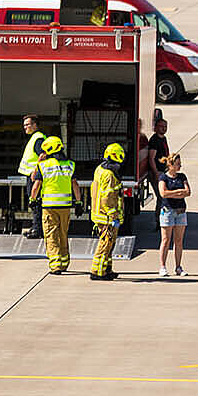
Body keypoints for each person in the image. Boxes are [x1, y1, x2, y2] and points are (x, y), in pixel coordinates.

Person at [30, 136, 82, 274]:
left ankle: (55, 265)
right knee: (63, 234)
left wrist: (32, 199)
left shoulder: (44, 165)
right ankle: (64, 262)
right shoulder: (70, 165)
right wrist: (78, 202)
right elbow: (75, 185)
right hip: (65, 207)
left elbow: (35, 184)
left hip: (49, 207)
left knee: (51, 235)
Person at [89, 142, 126, 281]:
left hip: (100, 213)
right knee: (105, 244)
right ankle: (97, 272)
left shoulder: (100, 169)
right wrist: (113, 214)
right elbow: (107, 197)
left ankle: (106, 269)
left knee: (109, 244)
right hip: (107, 216)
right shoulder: (110, 175)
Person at [16, 114, 50, 239]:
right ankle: (35, 227)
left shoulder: (38, 138)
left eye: (28, 124)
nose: (25, 127)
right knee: (35, 202)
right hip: (31, 176)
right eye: (24, 125)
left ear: (35, 125)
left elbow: (43, 155)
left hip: (34, 177)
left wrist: (36, 171)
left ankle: (37, 229)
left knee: (35, 202)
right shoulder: (35, 137)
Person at [157, 153, 191, 277]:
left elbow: (187, 192)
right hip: (167, 211)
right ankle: (162, 267)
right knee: (166, 240)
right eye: (177, 164)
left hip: (180, 211)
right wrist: (178, 192)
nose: (180, 166)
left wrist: (175, 193)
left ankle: (178, 267)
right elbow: (163, 193)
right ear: (170, 165)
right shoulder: (163, 178)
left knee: (179, 241)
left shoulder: (182, 176)